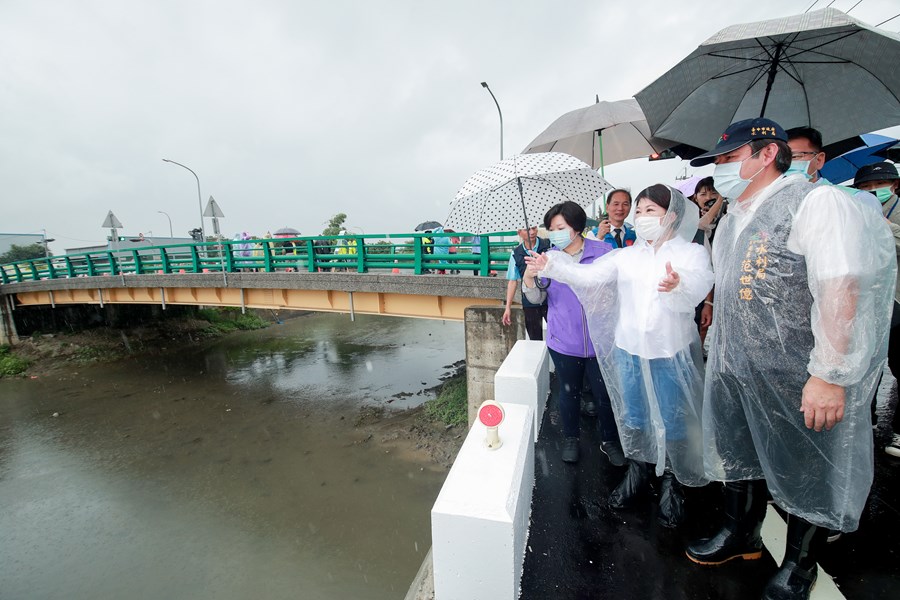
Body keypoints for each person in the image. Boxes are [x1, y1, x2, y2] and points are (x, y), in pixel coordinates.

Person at [683, 118, 895, 600]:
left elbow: (840, 286)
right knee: (740, 451)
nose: (721, 169)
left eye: (727, 158)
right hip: (737, 366)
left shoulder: (815, 201)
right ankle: (743, 534)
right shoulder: (734, 214)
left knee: (806, 466)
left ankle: (801, 565)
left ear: (765, 154)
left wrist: (830, 374)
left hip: (796, 371)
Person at [525, 185, 713, 528]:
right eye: (638, 211)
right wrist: (551, 265)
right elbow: (588, 276)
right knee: (636, 415)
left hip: (668, 353)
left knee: (674, 417)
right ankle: (639, 472)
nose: (641, 217)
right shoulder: (626, 256)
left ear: (671, 215)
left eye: (649, 211)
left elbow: (699, 284)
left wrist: (679, 285)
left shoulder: (690, 254)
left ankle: (672, 481)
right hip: (629, 351)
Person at [520, 201, 623, 466]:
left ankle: (610, 440)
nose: (555, 233)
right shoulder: (548, 259)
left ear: (576, 227)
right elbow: (536, 297)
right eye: (551, 228)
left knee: (605, 394)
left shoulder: (603, 252)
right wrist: (531, 277)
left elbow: (616, 291)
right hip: (564, 340)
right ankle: (570, 439)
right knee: (569, 394)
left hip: (601, 340)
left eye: (560, 227)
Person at [853, 161, 900, 458]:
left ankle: (897, 429)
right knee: (863, 361)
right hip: (865, 300)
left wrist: (886, 227)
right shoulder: (853, 215)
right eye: (867, 188)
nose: (873, 191)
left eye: (878, 186)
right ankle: (863, 420)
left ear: (893, 185)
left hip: (897, 299)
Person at [501, 226, 550, 341]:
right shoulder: (516, 253)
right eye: (527, 230)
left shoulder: (548, 245)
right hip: (529, 301)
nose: (532, 232)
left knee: (559, 335)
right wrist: (508, 307)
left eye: (533, 228)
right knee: (534, 338)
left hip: (551, 299)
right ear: (519, 232)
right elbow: (513, 281)